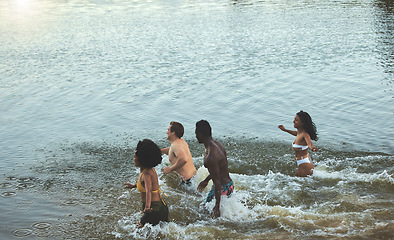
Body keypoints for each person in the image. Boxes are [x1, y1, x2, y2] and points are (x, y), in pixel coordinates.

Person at [124, 139, 168, 227]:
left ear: (142, 159)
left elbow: (148, 190)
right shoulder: (148, 170)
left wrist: (147, 207)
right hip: (160, 207)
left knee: (139, 228)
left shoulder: (146, 174)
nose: (133, 159)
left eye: (135, 157)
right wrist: (133, 186)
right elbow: (144, 185)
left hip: (154, 208)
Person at [195, 120, 234, 218]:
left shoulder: (211, 156)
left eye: (196, 133)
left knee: (205, 211)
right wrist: (206, 180)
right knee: (205, 208)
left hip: (222, 188)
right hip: (229, 184)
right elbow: (218, 171)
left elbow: (217, 182)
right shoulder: (217, 144)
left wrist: (217, 207)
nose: (195, 136)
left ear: (200, 134)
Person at [278, 110, 318, 177]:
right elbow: (296, 134)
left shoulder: (305, 134)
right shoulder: (300, 132)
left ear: (302, 123)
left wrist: (313, 148)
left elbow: (310, 144)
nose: (293, 121)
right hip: (304, 161)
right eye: (294, 119)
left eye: (296, 120)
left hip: (304, 164)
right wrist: (285, 130)